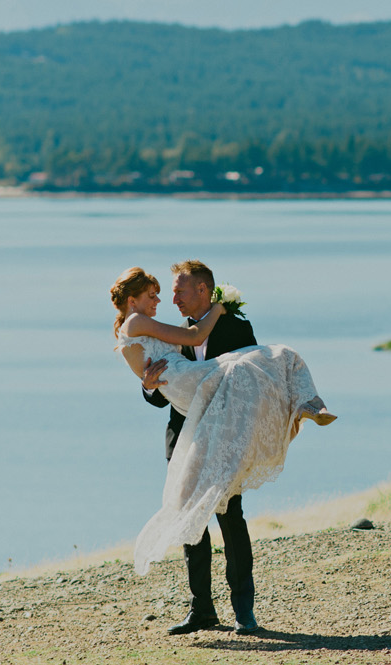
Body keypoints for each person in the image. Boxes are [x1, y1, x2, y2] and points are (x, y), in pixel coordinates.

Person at [111, 262, 334, 637]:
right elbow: (157, 391)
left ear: (203, 290)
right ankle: (202, 610)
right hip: (185, 431)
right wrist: (149, 385)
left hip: (224, 434)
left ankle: (244, 612)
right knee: (189, 523)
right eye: (162, 293)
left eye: (179, 291)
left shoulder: (236, 327)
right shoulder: (178, 332)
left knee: (231, 517)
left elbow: (254, 385)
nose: (171, 298)